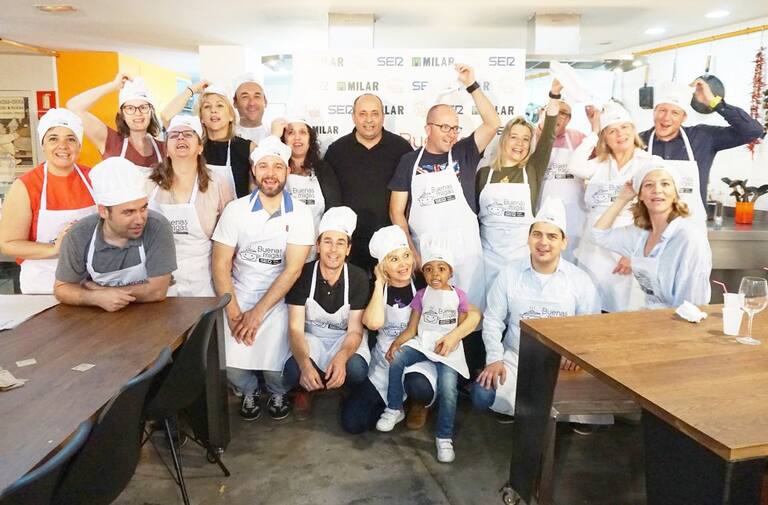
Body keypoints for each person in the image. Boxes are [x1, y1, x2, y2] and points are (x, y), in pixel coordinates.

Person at [211, 140, 314, 421]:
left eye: (278, 167)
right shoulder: (236, 210)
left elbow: (292, 270)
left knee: (276, 368)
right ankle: (249, 390)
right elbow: (220, 264)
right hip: (239, 294)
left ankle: (277, 391)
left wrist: (257, 313)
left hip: (280, 299)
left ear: (288, 171)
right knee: (231, 366)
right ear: (254, 171)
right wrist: (234, 312)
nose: (271, 173)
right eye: (264, 166)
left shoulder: (300, 213)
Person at [471, 198, 600, 417]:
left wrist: (576, 354)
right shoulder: (509, 274)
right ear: (528, 238)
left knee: (583, 404)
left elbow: (590, 325)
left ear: (564, 242)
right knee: (482, 395)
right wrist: (494, 359)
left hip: (562, 362)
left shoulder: (580, 280)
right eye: (537, 234)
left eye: (552, 236)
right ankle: (523, 412)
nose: (543, 242)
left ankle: (536, 415)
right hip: (516, 357)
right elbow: (492, 320)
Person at [389, 63, 500, 312]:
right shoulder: (409, 162)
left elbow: (493, 123)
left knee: (468, 318)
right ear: (428, 129)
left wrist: (471, 85)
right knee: (431, 317)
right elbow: (396, 212)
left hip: (466, 257)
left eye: (455, 128)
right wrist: (412, 253)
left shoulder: (464, 152)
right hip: (428, 259)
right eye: (445, 128)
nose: (451, 134)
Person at [375, 241, 480, 463]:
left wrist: (451, 340)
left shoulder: (460, 297)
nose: (435, 274)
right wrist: (396, 344)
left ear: (451, 272)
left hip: (447, 349)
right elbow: (412, 328)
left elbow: (460, 328)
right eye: (429, 269)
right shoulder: (421, 295)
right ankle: (394, 408)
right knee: (397, 359)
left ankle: (444, 437)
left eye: (441, 269)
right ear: (423, 273)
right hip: (423, 343)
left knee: (448, 389)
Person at [53, 157, 176, 311]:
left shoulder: (158, 227)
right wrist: (94, 298)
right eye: (128, 212)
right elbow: (62, 288)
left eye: (143, 208)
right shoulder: (79, 235)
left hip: (155, 313)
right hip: (99, 317)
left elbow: (157, 291)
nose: (140, 220)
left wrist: (102, 291)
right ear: (103, 211)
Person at [283, 207, 371, 420]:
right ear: (318, 246)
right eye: (328, 241)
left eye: (340, 243)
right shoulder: (303, 274)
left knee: (356, 369)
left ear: (348, 249)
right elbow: (295, 329)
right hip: (312, 339)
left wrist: (341, 357)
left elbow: (355, 331)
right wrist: (305, 364)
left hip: (344, 338)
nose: (333, 249)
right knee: (293, 371)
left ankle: (340, 385)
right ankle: (306, 389)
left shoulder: (358, 278)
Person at [474, 78, 562, 288]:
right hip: (487, 260)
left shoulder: (532, 170)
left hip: (522, 261)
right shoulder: (483, 174)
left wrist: (554, 95)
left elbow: (548, 134)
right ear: (504, 139)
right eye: (514, 137)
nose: (519, 144)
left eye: (525, 139)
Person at [592, 158, 712, 308]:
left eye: (665, 184)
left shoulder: (688, 238)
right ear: (640, 195)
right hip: (650, 315)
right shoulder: (640, 235)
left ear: (675, 193)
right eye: (649, 185)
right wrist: (622, 199)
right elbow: (599, 234)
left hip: (680, 319)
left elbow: (693, 305)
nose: (657, 190)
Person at [0, 109, 96, 294]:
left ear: (79, 145)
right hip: (43, 287)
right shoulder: (25, 186)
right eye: (53, 138)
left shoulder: (95, 178)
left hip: (90, 285)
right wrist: (55, 249)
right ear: (42, 144)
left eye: (71, 139)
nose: (63, 146)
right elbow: (8, 243)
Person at [568, 101, 650, 313]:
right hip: (593, 251)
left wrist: (634, 254)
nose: (620, 134)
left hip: (626, 250)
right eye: (612, 131)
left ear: (633, 130)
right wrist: (594, 132)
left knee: (622, 311)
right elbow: (573, 166)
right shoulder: (600, 164)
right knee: (590, 308)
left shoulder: (647, 164)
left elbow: (654, 214)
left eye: (624, 127)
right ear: (605, 138)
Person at [640, 80, 764, 208]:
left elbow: (753, 131)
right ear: (654, 112)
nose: (666, 118)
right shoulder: (637, 142)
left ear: (684, 118)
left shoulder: (703, 137)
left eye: (675, 113)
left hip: (691, 218)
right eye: (662, 110)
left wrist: (714, 102)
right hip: (647, 219)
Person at [324, 93, 412, 275]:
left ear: (383, 116)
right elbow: (329, 200)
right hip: (349, 245)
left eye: (375, 113)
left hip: (392, 245)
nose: (369, 120)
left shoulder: (402, 149)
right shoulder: (336, 151)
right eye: (363, 114)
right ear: (353, 117)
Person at [146, 115, 234, 296]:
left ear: (200, 147)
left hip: (202, 285)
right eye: (174, 135)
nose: (180, 138)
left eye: (188, 134)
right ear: (166, 149)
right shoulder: (148, 183)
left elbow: (229, 239)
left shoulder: (218, 184)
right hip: (155, 283)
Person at [162, 82, 255, 198]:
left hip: (236, 209)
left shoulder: (248, 148)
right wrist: (192, 90)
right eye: (207, 106)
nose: (213, 110)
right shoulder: (193, 145)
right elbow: (166, 116)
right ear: (201, 118)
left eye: (220, 105)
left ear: (231, 116)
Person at [272, 118, 342, 259]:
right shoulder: (273, 170)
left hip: (313, 253)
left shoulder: (323, 170)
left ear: (310, 139)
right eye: (291, 133)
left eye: (302, 132)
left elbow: (333, 211)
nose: (297, 137)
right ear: (283, 139)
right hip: (277, 250)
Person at [67, 74, 164, 172]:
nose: (138, 113)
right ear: (122, 114)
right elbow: (74, 106)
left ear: (151, 111)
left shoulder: (164, 148)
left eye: (143, 107)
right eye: (130, 108)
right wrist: (112, 86)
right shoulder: (111, 142)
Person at [537, 100, 588, 263]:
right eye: (554, 111)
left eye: (564, 113)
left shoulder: (579, 138)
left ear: (569, 119)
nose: (558, 116)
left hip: (572, 217)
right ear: (542, 112)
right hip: (541, 212)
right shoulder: (530, 136)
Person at [232, 73, 269, 143]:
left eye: (257, 96)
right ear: (235, 102)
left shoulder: (274, 135)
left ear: (265, 101)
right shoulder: (227, 136)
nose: (252, 103)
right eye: (245, 97)